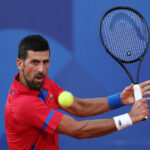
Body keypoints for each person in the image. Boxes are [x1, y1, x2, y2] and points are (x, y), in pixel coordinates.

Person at [5, 35, 150, 150]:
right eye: (35, 62)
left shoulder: (42, 81)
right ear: (20, 64)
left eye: (46, 62)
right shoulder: (22, 105)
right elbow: (78, 130)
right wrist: (129, 118)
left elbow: (80, 107)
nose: (42, 70)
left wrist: (120, 99)